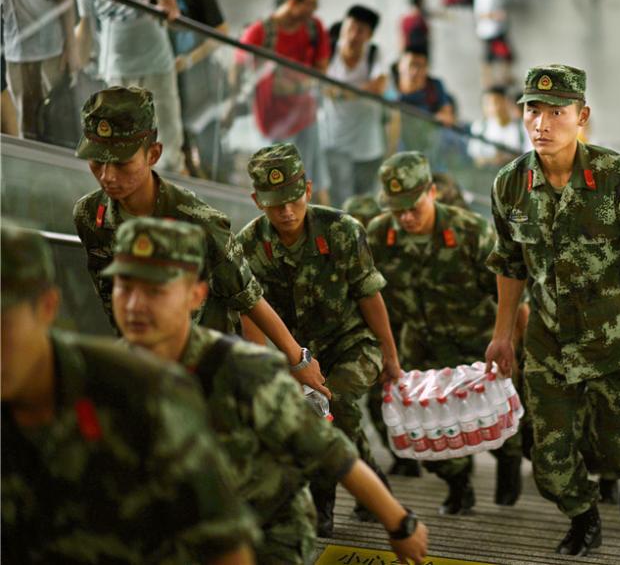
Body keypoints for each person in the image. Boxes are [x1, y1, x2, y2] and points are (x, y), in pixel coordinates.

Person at [106, 217, 430, 564]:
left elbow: (329, 450)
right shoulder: (104, 372)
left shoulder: (242, 369)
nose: (135, 305)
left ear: (196, 295)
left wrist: (399, 523)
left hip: (264, 533)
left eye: (156, 291)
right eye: (125, 286)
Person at [485, 65, 620, 556]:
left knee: (616, 447)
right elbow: (511, 266)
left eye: (557, 112)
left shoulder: (618, 180)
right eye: (533, 110)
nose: (542, 123)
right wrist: (503, 334)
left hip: (617, 342)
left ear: (582, 116)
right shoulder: (510, 185)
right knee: (547, 462)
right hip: (549, 343)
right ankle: (584, 516)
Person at [0, 223, 258, 564]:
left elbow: (224, 548)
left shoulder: (142, 393)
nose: (136, 305)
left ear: (47, 307)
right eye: (126, 287)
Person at [70, 87, 326, 394]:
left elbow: (247, 296)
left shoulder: (197, 220)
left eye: (122, 163)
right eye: (97, 162)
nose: (107, 175)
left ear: (153, 154)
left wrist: (298, 360)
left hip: (206, 363)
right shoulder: (89, 215)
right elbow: (109, 296)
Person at [236, 143, 402, 537]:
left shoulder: (342, 230)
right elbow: (249, 311)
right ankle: (372, 479)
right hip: (292, 355)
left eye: (294, 199)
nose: (287, 211)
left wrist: (391, 357)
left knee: (331, 404)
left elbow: (369, 295)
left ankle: (323, 504)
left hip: (351, 343)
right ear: (258, 200)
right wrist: (267, 370)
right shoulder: (247, 245)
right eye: (276, 204)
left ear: (308, 190)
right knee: (330, 415)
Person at [368, 151, 528, 513]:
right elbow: (370, 298)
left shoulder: (471, 231)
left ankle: (509, 459)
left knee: (495, 418)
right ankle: (458, 485)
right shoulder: (379, 236)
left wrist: (516, 348)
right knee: (429, 429)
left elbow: (513, 295)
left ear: (432, 192)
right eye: (397, 209)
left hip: (477, 344)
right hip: (422, 347)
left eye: (413, 206)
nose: (406, 217)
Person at [75, 0, 185, 173]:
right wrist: (75, 66)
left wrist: (168, 13)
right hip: (116, 73)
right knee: (122, 143)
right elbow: (85, 28)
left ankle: (168, 192)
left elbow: (170, 8)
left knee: (169, 142)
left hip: (156, 68)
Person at [234, 0, 331, 203]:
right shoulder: (259, 33)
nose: (314, 9)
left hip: (305, 119)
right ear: (292, 1)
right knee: (278, 191)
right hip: (272, 128)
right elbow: (237, 74)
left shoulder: (314, 28)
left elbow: (321, 70)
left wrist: (295, 85)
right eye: (310, 3)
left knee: (312, 185)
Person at [148, 0, 229, 177]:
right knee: (175, 136)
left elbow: (221, 32)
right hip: (165, 76)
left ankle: (214, 181)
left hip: (198, 79)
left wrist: (190, 60)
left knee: (205, 140)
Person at [1, 0, 76, 140]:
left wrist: (71, 43)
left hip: (51, 44)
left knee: (59, 116)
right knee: (26, 121)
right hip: (14, 47)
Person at [322, 4, 387, 206]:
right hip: (334, 141)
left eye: (360, 30)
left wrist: (341, 92)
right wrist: (357, 91)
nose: (353, 35)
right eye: (350, 28)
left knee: (364, 202)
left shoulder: (374, 54)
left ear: (370, 35)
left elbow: (379, 84)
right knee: (338, 201)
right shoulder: (330, 50)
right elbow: (319, 83)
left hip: (367, 145)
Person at [385, 44, 455, 159]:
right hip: (393, 154)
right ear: (399, 65)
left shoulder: (435, 87)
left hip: (427, 153)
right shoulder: (387, 88)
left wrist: (437, 118)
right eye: (411, 64)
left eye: (420, 66)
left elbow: (448, 116)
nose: (415, 71)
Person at [469, 86, 528, 167]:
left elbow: (529, 157)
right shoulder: (479, 127)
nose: (493, 107)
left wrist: (507, 160)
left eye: (497, 102)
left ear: (507, 102)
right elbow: (476, 160)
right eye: (487, 103)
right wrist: (493, 160)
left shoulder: (522, 127)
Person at [473, 0, 514, 87]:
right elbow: (481, 13)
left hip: (494, 30)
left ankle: (502, 77)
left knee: (502, 55)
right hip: (490, 32)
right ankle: (489, 79)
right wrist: (496, 15)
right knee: (491, 56)